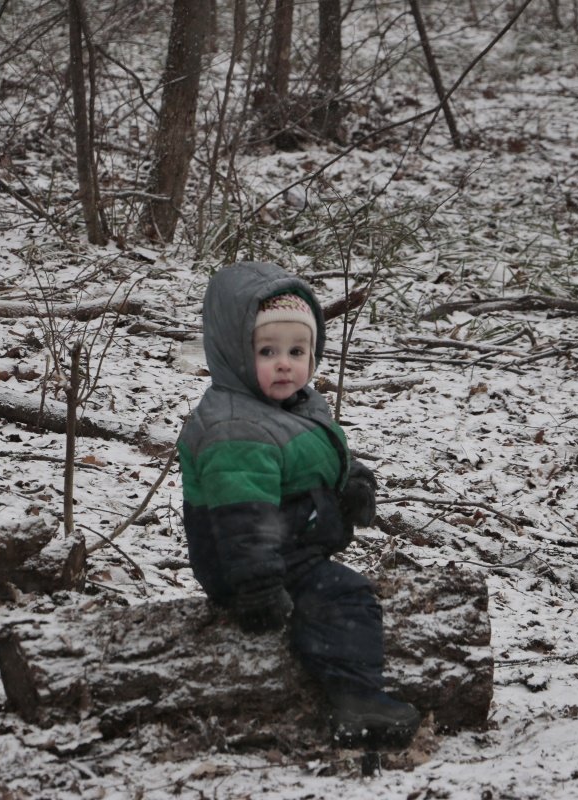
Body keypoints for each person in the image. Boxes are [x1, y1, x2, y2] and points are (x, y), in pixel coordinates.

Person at [177, 261, 420, 748]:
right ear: (235, 354)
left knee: (332, 586)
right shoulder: (233, 425)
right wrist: (259, 589)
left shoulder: (293, 405)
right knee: (342, 596)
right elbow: (243, 520)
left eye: (296, 350)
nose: (284, 363)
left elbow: (315, 456)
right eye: (267, 351)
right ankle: (356, 699)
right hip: (250, 564)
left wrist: (352, 482)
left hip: (283, 541)